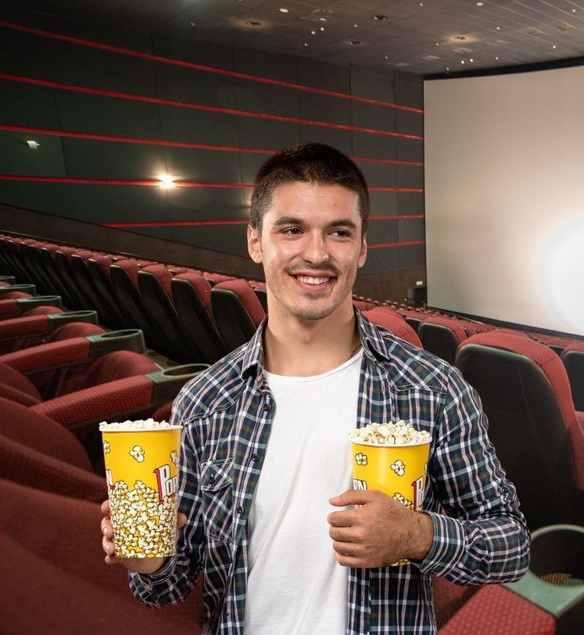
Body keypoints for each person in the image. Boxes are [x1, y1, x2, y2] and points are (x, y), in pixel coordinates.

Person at [99, 143, 530, 633]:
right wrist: (147, 559)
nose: (317, 254)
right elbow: (169, 585)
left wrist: (418, 536)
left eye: (339, 232)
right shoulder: (205, 401)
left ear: (362, 247)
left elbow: (511, 546)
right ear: (255, 242)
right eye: (291, 229)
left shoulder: (431, 387)